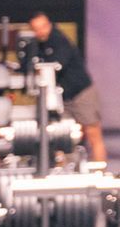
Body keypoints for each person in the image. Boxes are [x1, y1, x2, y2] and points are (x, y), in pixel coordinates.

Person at [27, 12, 104, 163]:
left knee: (92, 133)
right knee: (62, 139)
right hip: (61, 97)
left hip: (81, 93)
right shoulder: (35, 45)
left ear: (49, 25)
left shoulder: (59, 40)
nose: (41, 31)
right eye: (36, 28)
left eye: (43, 27)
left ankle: (100, 173)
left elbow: (55, 65)